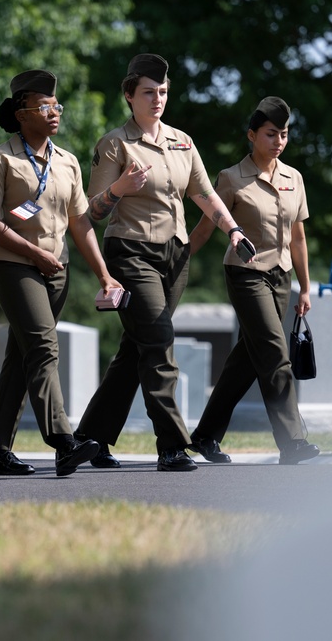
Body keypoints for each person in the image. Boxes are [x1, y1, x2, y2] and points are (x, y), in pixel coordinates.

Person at [73, 53, 250, 472]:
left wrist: (234, 230)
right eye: (149, 93)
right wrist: (118, 188)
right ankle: (172, 445)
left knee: (138, 347)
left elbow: (206, 195)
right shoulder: (114, 143)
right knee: (158, 340)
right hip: (131, 252)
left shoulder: (182, 141)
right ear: (130, 96)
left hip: (175, 255)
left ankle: (90, 438)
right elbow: (92, 211)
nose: (158, 99)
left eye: (163, 92)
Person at [0, 69, 119, 476]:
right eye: (44, 106)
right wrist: (32, 253)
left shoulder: (68, 162)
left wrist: (104, 275)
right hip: (15, 265)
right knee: (43, 347)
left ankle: (0, 451)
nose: (54, 112)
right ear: (22, 113)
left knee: (20, 356)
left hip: (58, 270)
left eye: (57, 105)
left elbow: (81, 223)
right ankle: (63, 440)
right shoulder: (0, 159)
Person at [188, 96, 321, 465]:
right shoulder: (230, 178)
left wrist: (306, 287)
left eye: (284, 134)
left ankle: (203, 436)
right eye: (270, 134)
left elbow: (298, 238)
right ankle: (292, 442)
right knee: (275, 355)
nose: (278, 140)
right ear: (252, 135)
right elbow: (204, 227)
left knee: (246, 361)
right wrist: (178, 261)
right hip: (245, 274)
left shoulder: (294, 178)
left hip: (281, 278)